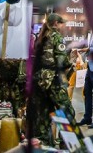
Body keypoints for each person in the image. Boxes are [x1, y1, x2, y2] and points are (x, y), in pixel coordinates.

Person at [27, 13, 75, 147]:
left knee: (42, 116)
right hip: (53, 80)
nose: (62, 26)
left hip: (39, 82)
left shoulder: (40, 38)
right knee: (66, 113)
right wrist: (70, 60)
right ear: (56, 24)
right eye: (61, 23)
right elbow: (61, 61)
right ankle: (68, 145)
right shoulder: (56, 37)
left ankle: (44, 146)